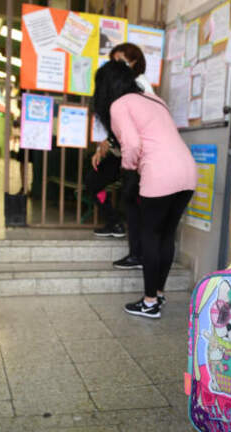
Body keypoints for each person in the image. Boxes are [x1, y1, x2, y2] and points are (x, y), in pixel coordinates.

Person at [93, 60, 197, 319]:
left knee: (150, 235)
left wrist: (129, 170)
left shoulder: (119, 104)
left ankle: (149, 302)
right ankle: (158, 294)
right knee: (166, 235)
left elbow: (132, 143)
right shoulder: (154, 99)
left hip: (160, 173)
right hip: (187, 172)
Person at [87, 43, 154, 269]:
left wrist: (127, 166)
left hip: (135, 155)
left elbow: (136, 131)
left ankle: (138, 254)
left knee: (132, 198)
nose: (118, 67)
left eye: (122, 61)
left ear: (135, 62)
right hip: (121, 150)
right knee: (94, 182)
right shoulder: (117, 90)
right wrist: (104, 146)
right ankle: (115, 223)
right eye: (115, 62)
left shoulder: (140, 87)